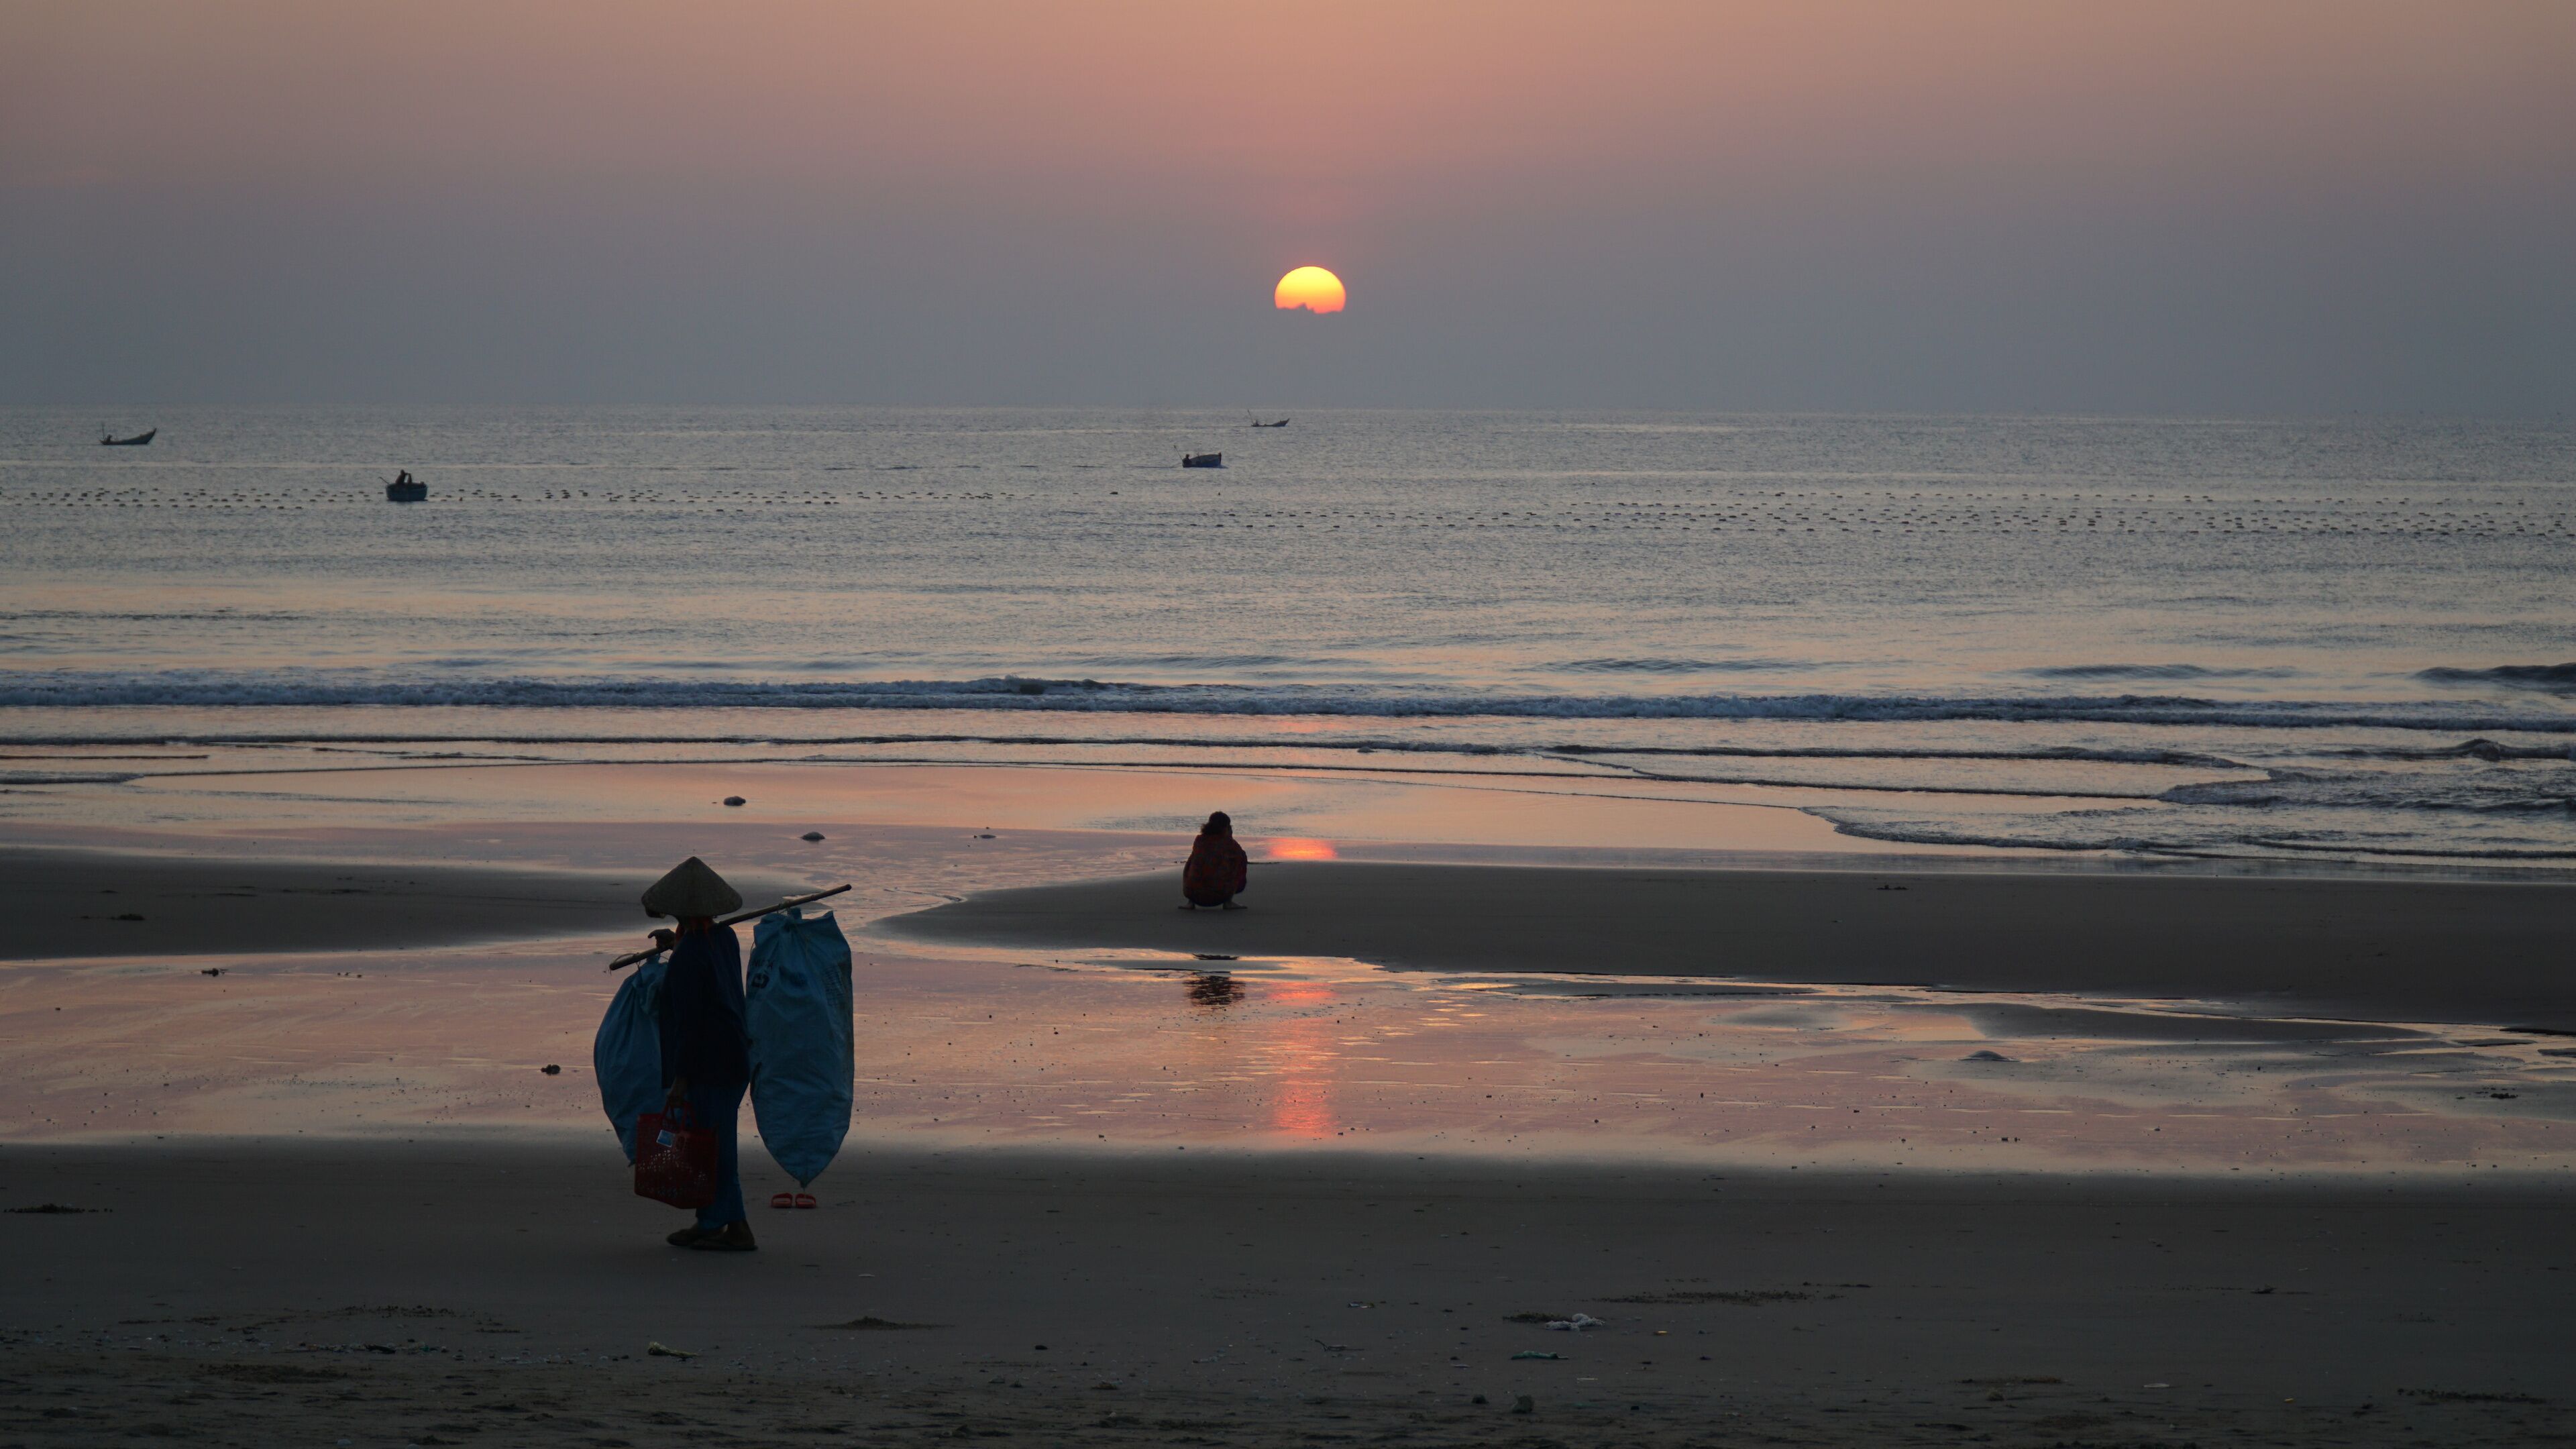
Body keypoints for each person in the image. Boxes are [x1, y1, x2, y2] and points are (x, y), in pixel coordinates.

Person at [643, 856, 757, 1252]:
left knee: (714, 1147)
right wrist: (677, 943)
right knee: (718, 1143)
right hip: (733, 1055)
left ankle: (715, 1224)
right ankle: (729, 1223)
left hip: (710, 1062)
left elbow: (689, 1024)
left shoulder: (690, 957)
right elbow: (703, 959)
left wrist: (680, 1078)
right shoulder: (724, 938)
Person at [1180, 811, 1249, 910]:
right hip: (1220, 896)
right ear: (1226, 827)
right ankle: (1228, 902)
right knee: (1239, 859)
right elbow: (1242, 857)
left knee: (1193, 860)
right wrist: (1230, 837)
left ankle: (1190, 902)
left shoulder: (1200, 840)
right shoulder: (1229, 844)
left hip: (1194, 895)